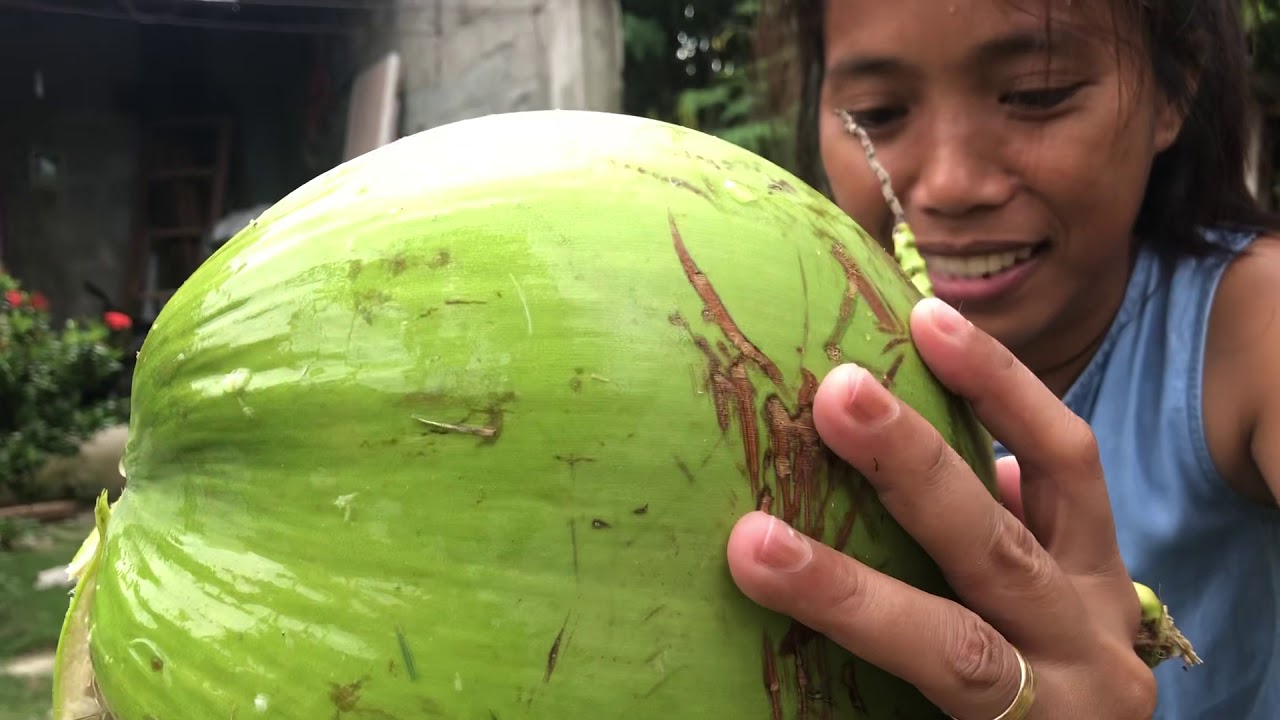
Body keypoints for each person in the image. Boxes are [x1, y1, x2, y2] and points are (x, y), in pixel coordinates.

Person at [721, 1, 1280, 718]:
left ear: (1173, 91)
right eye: (878, 111)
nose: (951, 186)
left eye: (1036, 94)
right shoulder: (749, 363)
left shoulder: (1252, 322)